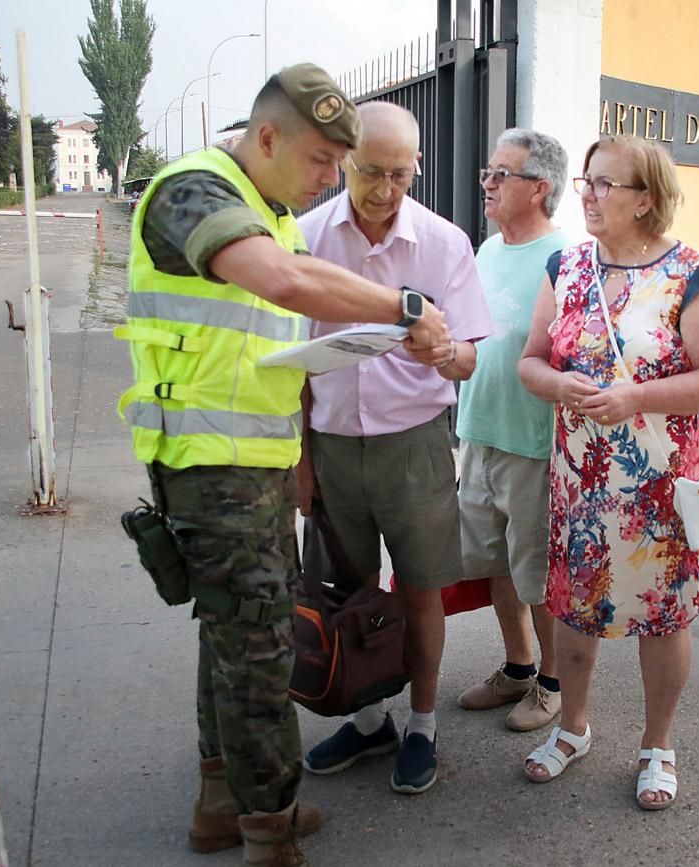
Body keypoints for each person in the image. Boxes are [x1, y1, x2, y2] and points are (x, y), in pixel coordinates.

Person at [119, 65, 449, 866]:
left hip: (252, 465)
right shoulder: (194, 192)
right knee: (260, 648)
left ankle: (220, 801)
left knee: (231, 636)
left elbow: (273, 339)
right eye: (322, 163)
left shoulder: (271, 211)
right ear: (266, 138)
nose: (332, 181)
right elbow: (279, 280)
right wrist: (401, 306)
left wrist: (298, 454)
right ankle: (268, 832)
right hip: (210, 468)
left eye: (345, 165)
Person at [515, 135, 699, 810]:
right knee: (577, 611)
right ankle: (574, 727)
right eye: (586, 181)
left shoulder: (691, 275)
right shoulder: (567, 266)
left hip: (662, 490)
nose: (587, 192)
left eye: (605, 183)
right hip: (583, 481)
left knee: (663, 618)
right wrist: (560, 386)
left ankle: (657, 744)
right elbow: (530, 361)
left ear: (647, 199)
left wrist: (635, 395)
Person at [297, 101, 492, 795]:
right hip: (330, 442)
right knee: (349, 589)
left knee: (420, 591)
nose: (384, 190)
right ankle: (370, 715)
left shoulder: (442, 244)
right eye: (371, 172)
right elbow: (288, 356)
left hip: (414, 445)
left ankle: (422, 722)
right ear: (346, 159)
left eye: (400, 176)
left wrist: (445, 350)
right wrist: (301, 459)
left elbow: (469, 359)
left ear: (416, 169)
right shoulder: (306, 236)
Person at [455, 128, 570, 732]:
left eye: (502, 175)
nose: (489, 185)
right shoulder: (487, 249)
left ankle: (555, 682)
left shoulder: (568, 260)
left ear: (539, 188)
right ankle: (519, 668)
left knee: (538, 575)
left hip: (533, 443)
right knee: (496, 564)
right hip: (479, 431)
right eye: (489, 173)